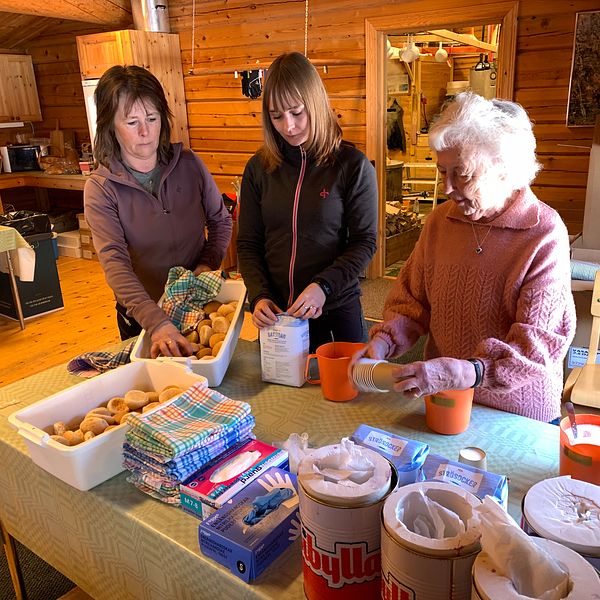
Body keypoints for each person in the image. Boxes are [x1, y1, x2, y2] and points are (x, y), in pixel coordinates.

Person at [354, 92, 575, 422]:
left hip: (514, 412)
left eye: (462, 173)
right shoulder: (440, 221)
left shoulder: (543, 233)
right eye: (442, 171)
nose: (446, 187)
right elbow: (411, 302)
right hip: (444, 400)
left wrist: (465, 373)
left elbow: (536, 347)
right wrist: (384, 342)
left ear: (505, 170)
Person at [84, 65, 232, 358]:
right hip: (143, 315)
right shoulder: (101, 188)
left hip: (198, 301)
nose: (145, 132)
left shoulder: (189, 164)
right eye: (132, 122)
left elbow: (220, 221)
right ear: (109, 126)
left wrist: (205, 265)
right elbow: (116, 266)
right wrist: (157, 322)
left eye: (152, 119)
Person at [236, 51, 378, 351]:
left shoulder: (352, 165)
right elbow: (248, 243)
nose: (288, 126)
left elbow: (365, 242)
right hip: (279, 317)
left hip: (337, 307)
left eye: (297, 112)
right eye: (277, 116)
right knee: (284, 397)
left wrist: (323, 287)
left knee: (349, 394)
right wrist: (259, 295)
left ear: (314, 103)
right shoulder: (258, 169)